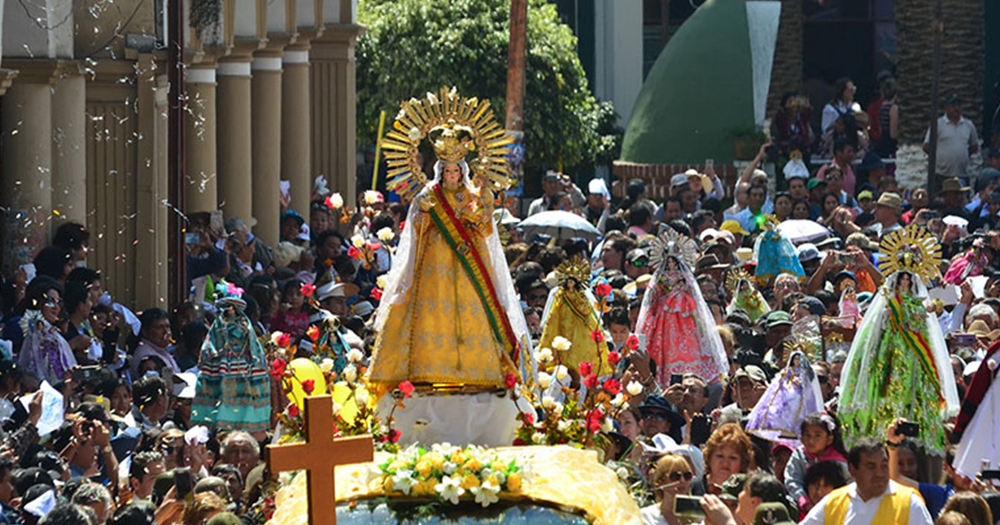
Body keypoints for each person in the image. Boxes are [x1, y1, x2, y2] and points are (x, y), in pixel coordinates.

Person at [369, 121, 532, 388]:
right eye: (447, 170)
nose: (452, 175)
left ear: (463, 171)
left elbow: (483, 228)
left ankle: (478, 371)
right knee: (432, 313)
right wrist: (422, 213)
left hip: (469, 264)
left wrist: (484, 207)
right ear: (440, 170)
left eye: (456, 170)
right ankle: (427, 370)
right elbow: (416, 231)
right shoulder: (429, 195)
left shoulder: (472, 195)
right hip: (434, 264)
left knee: (473, 312)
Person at [838, 226, 960, 453]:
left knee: (916, 387)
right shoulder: (887, 300)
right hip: (889, 350)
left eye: (908, 279)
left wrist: (932, 300)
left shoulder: (919, 301)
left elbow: (948, 300)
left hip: (915, 352)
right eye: (901, 278)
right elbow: (880, 325)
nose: (904, 282)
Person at [636, 230, 728, 386]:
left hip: (686, 322)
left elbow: (697, 303)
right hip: (663, 325)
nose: (671, 266)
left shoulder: (686, 282)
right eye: (668, 262)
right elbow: (650, 305)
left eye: (674, 262)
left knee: (691, 355)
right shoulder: (659, 283)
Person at [191, 285, 270, 435]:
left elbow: (255, 354)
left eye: (234, 309)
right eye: (227, 310)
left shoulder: (246, 330)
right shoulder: (218, 328)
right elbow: (209, 350)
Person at [801, 438, 933, 524]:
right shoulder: (834, 503)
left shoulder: (909, 503)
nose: (879, 473)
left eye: (883, 465)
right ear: (853, 470)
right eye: (871, 467)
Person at [537, 257, 609, 376]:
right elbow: (553, 313)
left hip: (581, 328)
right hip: (563, 324)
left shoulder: (583, 295)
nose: (571, 284)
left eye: (573, 281)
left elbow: (589, 311)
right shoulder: (558, 294)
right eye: (569, 281)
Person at [16, 278, 76, 385]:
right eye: (50, 302)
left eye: (58, 303)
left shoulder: (57, 336)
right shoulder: (23, 328)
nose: (56, 308)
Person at [784, 413, 850, 508]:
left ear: (829, 439)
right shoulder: (799, 455)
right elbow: (793, 480)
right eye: (807, 435)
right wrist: (804, 501)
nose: (811, 441)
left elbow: (850, 485)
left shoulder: (840, 462)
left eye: (817, 436)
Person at [923, 93, 979, 180]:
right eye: (953, 105)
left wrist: (961, 154)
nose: (956, 108)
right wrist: (940, 156)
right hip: (941, 175)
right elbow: (926, 146)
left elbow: (974, 147)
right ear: (946, 107)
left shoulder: (969, 125)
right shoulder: (938, 124)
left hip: (962, 175)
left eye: (959, 105)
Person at [641, 453, 695, 525]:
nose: (682, 481)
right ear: (660, 481)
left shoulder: (699, 515)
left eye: (687, 475)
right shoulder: (646, 517)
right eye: (675, 476)